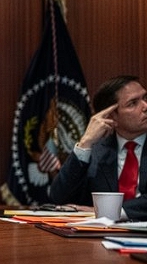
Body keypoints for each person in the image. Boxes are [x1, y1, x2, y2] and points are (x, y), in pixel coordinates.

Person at [49, 75, 147, 220]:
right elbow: (59, 197)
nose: (145, 106)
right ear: (111, 116)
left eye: (145, 98)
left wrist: (112, 212)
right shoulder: (97, 152)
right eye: (133, 103)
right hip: (101, 233)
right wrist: (85, 142)